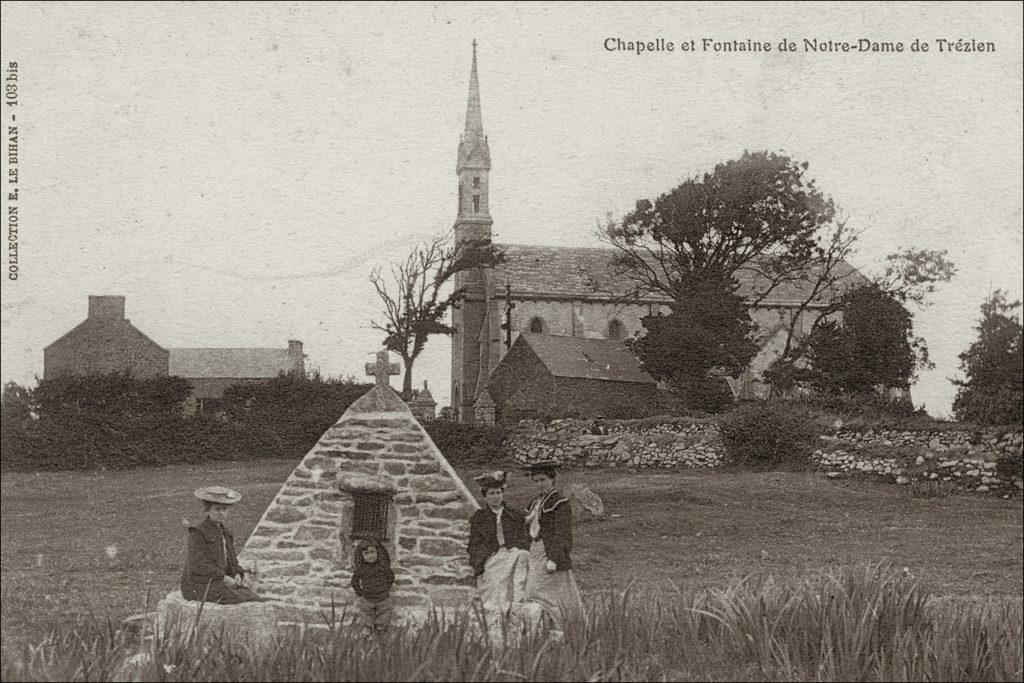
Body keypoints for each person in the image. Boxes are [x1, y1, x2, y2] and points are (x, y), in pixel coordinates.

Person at [522, 460, 584, 627]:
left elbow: (562, 533)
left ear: (552, 480)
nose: (539, 484)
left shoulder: (560, 503)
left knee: (549, 593)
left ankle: (564, 626)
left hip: (549, 552)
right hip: (535, 551)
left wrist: (554, 558)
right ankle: (545, 627)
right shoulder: (535, 503)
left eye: (543, 480)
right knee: (534, 592)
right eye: (536, 481)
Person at [180, 485, 264, 604]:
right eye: (217, 509)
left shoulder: (226, 533)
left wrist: (237, 573)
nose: (221, 513)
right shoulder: (198, 532)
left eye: (224, 509)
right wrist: (223, 577)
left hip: (217, 582)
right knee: (246, 598)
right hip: (199, 585)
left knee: (249, 595)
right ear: (208, 511)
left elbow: (231, 561)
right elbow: (199, 564)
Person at [467, 470, 531, 608]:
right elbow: (474, 545)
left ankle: (516, 603)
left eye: (498, 493)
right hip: (492, 557)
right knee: (494, 584)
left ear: (502, 494)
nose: (495, 497)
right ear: (485, 497)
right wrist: (486, 556)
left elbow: (525, 537)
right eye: (491, 493)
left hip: (512, 553)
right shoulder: (479, 518)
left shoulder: (514, 515)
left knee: (522, 556)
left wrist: (516, 546)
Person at [351, 539, 395, 637]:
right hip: (367, 600)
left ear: (377, 552)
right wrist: (361, 593)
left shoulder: (383, 567)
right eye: (366, 553)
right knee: (366, 623)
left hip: (383, 599)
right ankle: (366, 637)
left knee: (383, 622)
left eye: (372, 552)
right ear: (362, 556)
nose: (370, 556)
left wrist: (385, 588)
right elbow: (354, 582)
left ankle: (379, 636)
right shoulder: (361, 569)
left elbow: (391, 578)